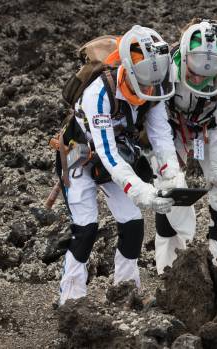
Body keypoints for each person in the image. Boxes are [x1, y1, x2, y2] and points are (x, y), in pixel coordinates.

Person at [58, 25, 183, 305]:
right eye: (145, 82)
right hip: (78, 156)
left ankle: (126, 292)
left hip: (116, 157)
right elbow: (106, 152)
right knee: (86, 227)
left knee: (133, 224)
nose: (150, 89)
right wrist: (139, 190)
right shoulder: (99, 94)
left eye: (156, 82)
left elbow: (162, 140)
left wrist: (172, 179)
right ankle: (71, 298)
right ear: (128, 69)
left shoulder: (154, 93)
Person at [153, 19, 217, 274]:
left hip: (210, 130)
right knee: (168, 191)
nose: (199, 79)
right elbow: (154, 123)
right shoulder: (162, 72)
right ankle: (170, 267)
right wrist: (168, 166)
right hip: (169, 128)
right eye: (193, 74)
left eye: (207, 76)